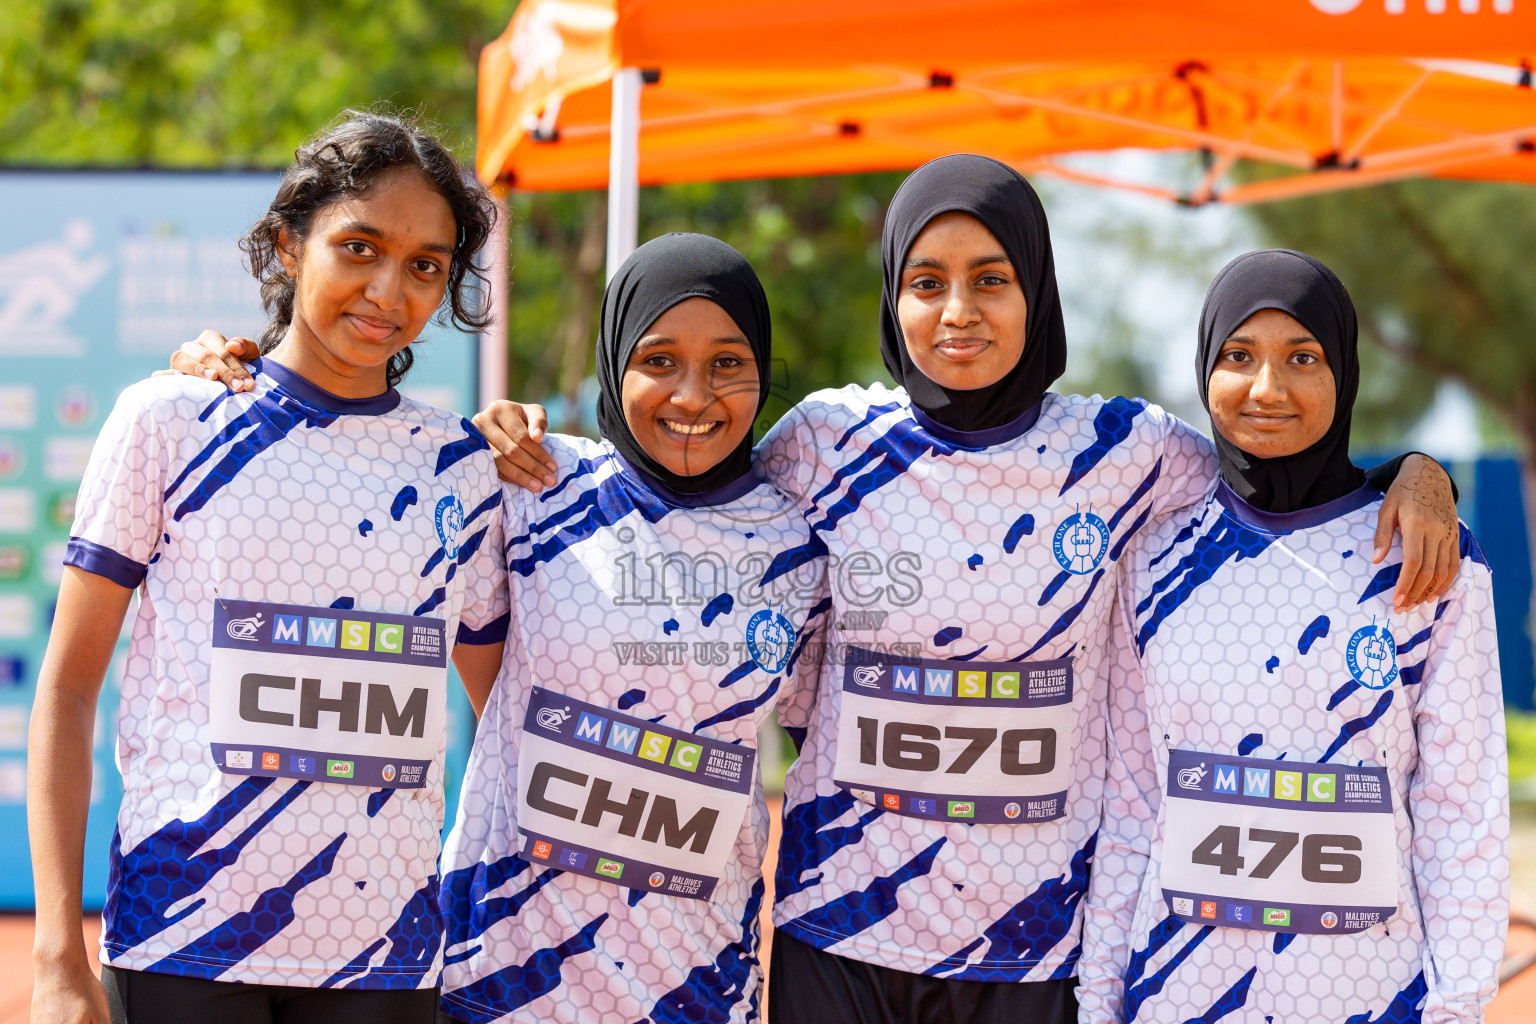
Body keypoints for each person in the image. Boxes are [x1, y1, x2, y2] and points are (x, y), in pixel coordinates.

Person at [169, 156, 1461, 1023]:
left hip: (1034, 954)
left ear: (1038, 292)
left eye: (991, 280)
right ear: (892, 296)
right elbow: (671, 470)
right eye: (926, 282)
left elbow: (1278, 457)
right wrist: (273, 374)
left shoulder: (1123, 455)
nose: (958, 312)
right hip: (839, 937)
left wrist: (1416, 472)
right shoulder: (827, 442)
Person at [29, 112, 510, 1024]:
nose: (387, 289)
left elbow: (509, 722)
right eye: (358, 247)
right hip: (181, 937)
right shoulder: (171, 421)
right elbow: (67, 688)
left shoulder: (459, 467)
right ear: (290, 246)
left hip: (386, 956)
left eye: (425, 266)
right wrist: (57, 955)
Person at [1076, 250, 1508, 1024]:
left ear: (1343, 371)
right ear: (1205, 368)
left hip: (1368, 1000)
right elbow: (1133, 804)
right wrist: (1101, 1000)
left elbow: (1461, 808)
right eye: (1239, 356)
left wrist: (1456, 1007)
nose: (1267, 388)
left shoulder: (1427, 553)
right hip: (1176, 999)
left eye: (1302, 358)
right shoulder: (1151, 556)